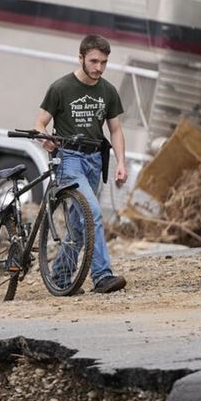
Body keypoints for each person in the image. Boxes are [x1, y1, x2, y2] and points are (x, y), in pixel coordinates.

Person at [34, 34, 128, 294]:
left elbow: (116, 130)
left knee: (78, 225)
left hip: (95, 160)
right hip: (69, 159)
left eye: (104, 63)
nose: (99, 68)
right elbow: (40, 122)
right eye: (94, 61)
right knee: (92, 212)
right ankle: (102, 276)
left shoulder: (107, 91)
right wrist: (45, 138)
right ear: (81, 58)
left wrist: (121, 162)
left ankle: (62, 279)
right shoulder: (61, 88)